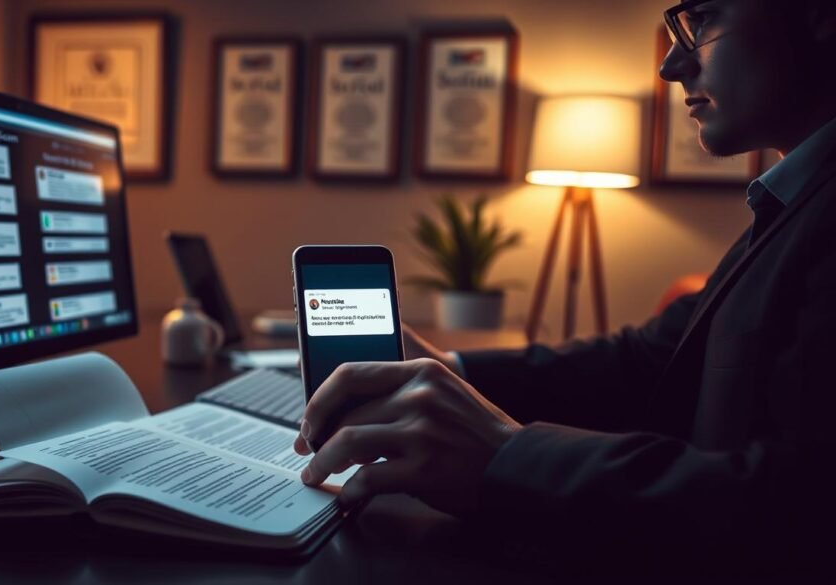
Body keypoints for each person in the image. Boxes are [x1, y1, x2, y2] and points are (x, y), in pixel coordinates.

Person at [294, 0, 836, 569]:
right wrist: (449, 368)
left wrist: (505, 455)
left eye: (701, 20)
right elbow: (646, 360)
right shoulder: (795, 201)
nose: (671, 64)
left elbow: (801, 505)